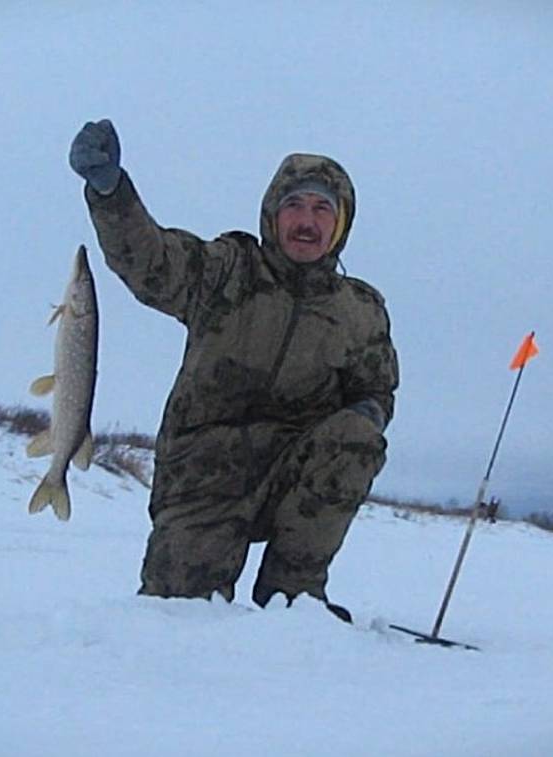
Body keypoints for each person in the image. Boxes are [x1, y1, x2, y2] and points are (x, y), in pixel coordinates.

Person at [68, 119, 398, 620]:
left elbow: (376, 391)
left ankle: (294, 597)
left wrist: (366, 416)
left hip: (292, 474)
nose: (307, 221)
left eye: (322, 209)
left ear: (340, 223)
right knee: (176, 616)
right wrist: (112, 193)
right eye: (294, 205)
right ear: (272, 213)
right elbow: (152, 261)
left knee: (358, 436)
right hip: (204, 474)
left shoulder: (360, 310)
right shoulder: (227, 270)